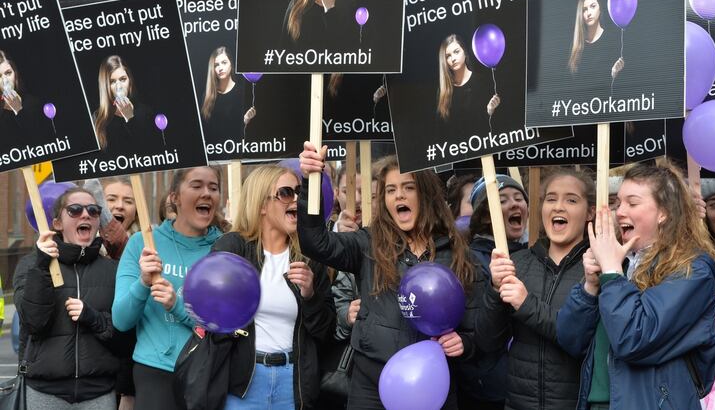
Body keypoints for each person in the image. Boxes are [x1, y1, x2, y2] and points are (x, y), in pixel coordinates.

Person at [298, 144, 479, 410]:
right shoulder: (368, 244)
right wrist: (309, 182)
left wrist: (465, 342)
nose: (398, 196)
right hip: (371, 384)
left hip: (431, 385)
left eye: (408, 187)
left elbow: (477, 326)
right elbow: (315, 242)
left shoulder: (456, 252)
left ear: (427, 194)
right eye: (391, 190)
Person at [557, 162, 715, 410]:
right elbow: (570, 339)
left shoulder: (693, 270)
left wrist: (611, 272)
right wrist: (590, 287)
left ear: (663, 212)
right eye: (617, 203)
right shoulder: (619, 263)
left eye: (632, 203)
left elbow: (635, 337)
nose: (620, 211)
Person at [212, 165, 334, 409]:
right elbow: (212, 313)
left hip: (293, 384)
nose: (297, 200)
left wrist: (310, 295)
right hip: (243, 382)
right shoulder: (233, 248)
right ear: (261, 205)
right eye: (286, 193)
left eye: (299, 192)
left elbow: (326, 332)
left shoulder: (310, 257)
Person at [475, 168, 595, 409]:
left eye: (571, 200)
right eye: (551, 199)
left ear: (590, 212)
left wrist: (525, 303)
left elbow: (579, 341)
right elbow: (487, 342)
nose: (558, 207)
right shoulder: (518, 263)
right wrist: (494, 290)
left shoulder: (596, 270)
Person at [112, 166, 223, 410]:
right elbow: (121, 320)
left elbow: (226, 326)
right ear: (174, 196)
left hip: (208, 370)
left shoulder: (226, 248)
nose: (206, 193)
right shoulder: (142, 243)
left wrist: (177, 306)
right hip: (155, 372)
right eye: (196, 185)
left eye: (213, 188)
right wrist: (143, 282)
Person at [15, 187, 119, 408]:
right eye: (75, 210)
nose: (85, 215)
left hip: (98, 393)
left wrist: (92, 317)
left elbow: (124, 336)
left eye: (93, 210)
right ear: (57, 223)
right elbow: (33, 323)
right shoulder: (31, 265)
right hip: (45, 393)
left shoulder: (113, 270)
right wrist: (42, 265)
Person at [455, 173, 530, 409]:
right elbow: (482, 336)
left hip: (524, 389)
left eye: (519, 197)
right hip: (489, 390)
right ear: (486, 215)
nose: (515, 203)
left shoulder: (531, 256)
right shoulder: (472, 262)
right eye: (503, 200)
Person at [93, 55, 161, 153]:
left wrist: (130, 117)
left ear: (130, 80)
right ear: (105, 86)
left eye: (123, 79)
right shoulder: (97, 118)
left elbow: (150, 150)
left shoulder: (146, 113)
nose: (119, 86)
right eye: (112, 81)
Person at [436, 34, 500, 121]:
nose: (453, 59)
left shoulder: (482, 82)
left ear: (465, 52)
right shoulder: (444, 90)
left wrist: (489, 111)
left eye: (456, 52)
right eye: (448, 56)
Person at [568, 0, 625, 83]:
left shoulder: (612, 41)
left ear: (600, 8)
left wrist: (614, 74)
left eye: (593, 6)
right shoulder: (576, 46)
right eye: (584, 9)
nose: (589, 13)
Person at [200, 46, 255, 144]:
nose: (220, 68)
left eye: (224, 63)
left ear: (231, 64)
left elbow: (244, 134)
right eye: (216, 65)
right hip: (214, 152)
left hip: (236, 150)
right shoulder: (207, 96)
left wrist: (245, 120)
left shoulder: (241, 93)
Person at [0, 50, 48, 147]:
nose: (5, 80)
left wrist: (18, 110)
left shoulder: (34, 104)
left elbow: (41, 141)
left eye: (8, 73)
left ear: (15, 73)